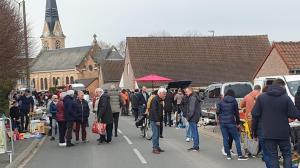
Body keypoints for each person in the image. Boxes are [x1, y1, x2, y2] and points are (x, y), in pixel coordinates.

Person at [252, 79, 300, 168]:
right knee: (287, 154)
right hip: (283, 133)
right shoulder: (285, 98)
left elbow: (255, 114)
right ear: (281, 86)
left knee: (273, 157)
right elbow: (295, 114)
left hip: (268, 133)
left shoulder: (262, 98)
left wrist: (254, 132)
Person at [217, 89, 248, 160]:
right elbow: (236, 113)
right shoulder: (234, 101)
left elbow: (217, 111)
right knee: (236, 138)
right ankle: (240, 156)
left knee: (225, 138)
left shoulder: (221, 101)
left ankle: (228, 155)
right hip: (231, 122)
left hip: (223, 123)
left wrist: (221, 117)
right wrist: (238, 123)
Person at [149, 88, 166, 154]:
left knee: (158, 134)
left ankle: (157, 147)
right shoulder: (155, 99)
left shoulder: (160, 99)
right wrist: (157, 120)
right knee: (155, 134)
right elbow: (154, 110)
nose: (165, 95)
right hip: (154, 119)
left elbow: (160, 110)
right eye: (164, 94)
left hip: (158, 119)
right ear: (160, 93)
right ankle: (154, 148)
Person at [185, 87, 201, 152]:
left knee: (194, 132)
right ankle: (196, 145)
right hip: (195, 116)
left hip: (193, 117)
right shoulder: (194, 96)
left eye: (186, 92)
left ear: (190, 91)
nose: (186, 93)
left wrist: (188, 117)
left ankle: (196, 146)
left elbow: (191, 109)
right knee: (195, 132)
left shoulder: (192, 98)